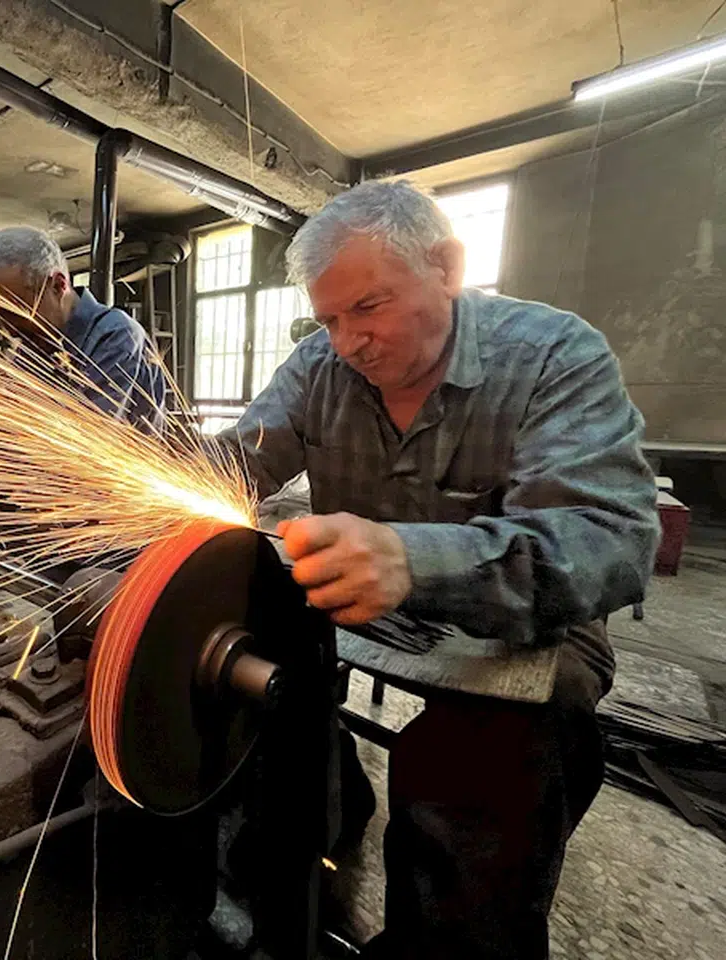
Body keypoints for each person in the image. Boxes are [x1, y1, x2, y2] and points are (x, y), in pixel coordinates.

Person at [214, 180, 659, 959]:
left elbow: (612, 542)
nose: (350, 340)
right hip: (357, 600)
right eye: (330, 317)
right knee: (252, 674)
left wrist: (418, 560)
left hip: (531, 622)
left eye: (372, 306)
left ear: (447, 266)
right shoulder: (317, 365)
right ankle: (321, 820)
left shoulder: (555, 354)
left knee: (472, 772)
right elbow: (235, 463)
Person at [0, 226, 167, 434]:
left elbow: (85, 443)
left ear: (57, 285)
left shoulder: (117, 336)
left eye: (17, 311)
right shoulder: (35, 344)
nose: (7, 327)